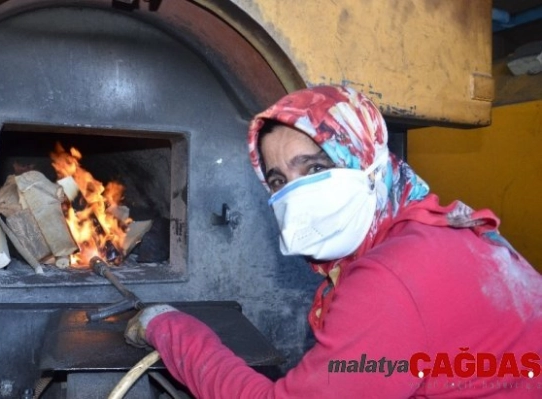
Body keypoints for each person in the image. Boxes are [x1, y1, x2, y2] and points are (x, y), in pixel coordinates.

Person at [124, 85, 542, 398]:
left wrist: (171, 329)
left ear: (368, 163)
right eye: (278, 181)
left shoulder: (390, 279)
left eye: (314, 167)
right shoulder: (438, 231)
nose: (296, 194)